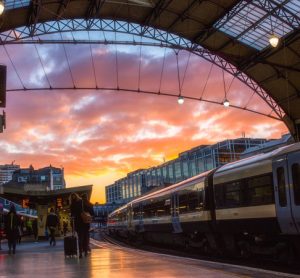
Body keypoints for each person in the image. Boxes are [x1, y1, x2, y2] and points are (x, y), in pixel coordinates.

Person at [70, 193, 92, 258]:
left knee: (80, 238)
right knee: (85, 238)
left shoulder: (72, 204)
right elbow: (90, 210)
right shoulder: (82, 202)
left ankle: (80, 253)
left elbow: (72, 215)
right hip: (85, 222)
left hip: (78, 223)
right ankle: (85, 251)